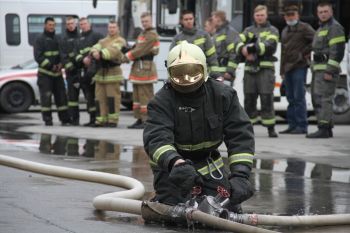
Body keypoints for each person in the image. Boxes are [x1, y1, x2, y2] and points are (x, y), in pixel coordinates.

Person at [143, 41, 255, 212]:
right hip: (173, 168)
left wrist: (241, 175)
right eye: (179, 73)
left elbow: (240, 136)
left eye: (192, 73)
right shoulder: (161, 101)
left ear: (203, 69)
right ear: (169, 73)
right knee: (175, 213)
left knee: (226, 209)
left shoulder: (223, 95)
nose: (186, 79)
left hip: (208, 163)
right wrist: (176, 162)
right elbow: (156, 138)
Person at [235, 5, 279, 137]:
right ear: (254, 16)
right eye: (257, 15)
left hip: (265, 70)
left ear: (266, 16)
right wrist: (242, 48)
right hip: (250, 70)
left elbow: (270, 46)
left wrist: (250, 48)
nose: (260, 18)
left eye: (262, 15)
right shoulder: (248, 30)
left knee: (267, 98)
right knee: (249, 99)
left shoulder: (273, 30)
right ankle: (249, 128)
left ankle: (270, 128)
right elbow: (237, 41)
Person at [307, 2, 345, 138]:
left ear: (331, 12)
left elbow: (338, 52)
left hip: (326, 72)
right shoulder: (321, 28)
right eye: (320, 12)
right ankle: (327, 128)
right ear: (317, 13)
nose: (323, 14)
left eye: (325, 11)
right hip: (318, 71)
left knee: (324, 99)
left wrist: (330, 70)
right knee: (317, 98)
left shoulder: (334, 27)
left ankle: (323, 128)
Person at [279, 5, 315, 134]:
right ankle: (292, 125)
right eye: (288, 15)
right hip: (288, 68)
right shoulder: (284, 31)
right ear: (285, 17)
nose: (290, 17)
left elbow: (315, 40)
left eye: (292, 15)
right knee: (290, 97)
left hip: (299, 66)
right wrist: (281, 70)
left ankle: (302, 126)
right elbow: (283, 52)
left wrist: (304, 53)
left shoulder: (304, 28)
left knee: (299, 97)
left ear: (297, 16)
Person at [124, 12, 160, 129]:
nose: (145, 24)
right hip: (138, 67)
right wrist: (128, 49)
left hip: (146, 68)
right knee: (137, 97)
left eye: (147, 21)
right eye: (143, 21)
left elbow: (140, 50)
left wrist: (125, 57)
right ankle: (139, 119)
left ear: (151, 21)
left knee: (145, 96)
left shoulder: (152, 35)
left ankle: (147, 120)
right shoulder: (142, 34)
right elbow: (136, 47)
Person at [33, 17, 70, 126]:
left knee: (62, 97)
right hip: (45, 74)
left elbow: (63, 53)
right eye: (50, 25)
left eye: (53, 25)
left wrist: (61, 64)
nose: (52, 27)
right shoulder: (39, 39)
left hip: (57, 74)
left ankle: (64, 119)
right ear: (45, 25)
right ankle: (48, 120)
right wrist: (50, 66)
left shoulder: (58, 38)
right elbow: (38, 57)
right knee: (46, 98)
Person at [89, 20, 126, 127]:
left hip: (113, 73)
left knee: (112, 98)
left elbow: (113, 51)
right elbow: (94, 47)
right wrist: (94, 52)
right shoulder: (103, 41)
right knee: (99, 98)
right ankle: (101, 120)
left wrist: (99, 53)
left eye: (114, 27)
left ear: (118, 28)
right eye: (110, 27)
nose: (112, 29)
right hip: (100, 74)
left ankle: (113, 120)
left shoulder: (120, 40)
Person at [170, 10, 220, 80]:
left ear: (194, 19)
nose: (189, 21)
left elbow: (212, 56)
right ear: (181, 21)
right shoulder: (177, 39)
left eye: (191, 19)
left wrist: (216, 75)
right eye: (186, 19)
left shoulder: (204, 35)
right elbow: (172, 59)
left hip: (202, 74)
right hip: (183, 77)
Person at [75, 17, 103, 126]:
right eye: (81, 24)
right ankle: (92, 119)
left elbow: (101, 51)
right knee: (89, 97)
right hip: (85, 72)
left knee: (97, 96)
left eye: (85, 23)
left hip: (97, 71)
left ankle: (98, 118)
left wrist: (91, 58)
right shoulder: (79, 39)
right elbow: (75, 55)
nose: (83, 26)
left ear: (89, 24)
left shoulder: (97, 36)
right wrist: (82, 59)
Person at [61, 16, 80, 125]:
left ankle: (93, 119)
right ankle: (74, 119)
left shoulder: (81, 36)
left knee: (89, 96)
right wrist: (69, 66)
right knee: (72, 98)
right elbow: (63, 55)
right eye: (68, 24)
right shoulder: (64, 39)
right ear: (66, 25)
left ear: (75, 24)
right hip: (71, 72)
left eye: (72, 23)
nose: (70, 25)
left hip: (82, 71)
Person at [211, 10, 240, 84]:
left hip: (225, 74)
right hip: (216, 73)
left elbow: (234, 53)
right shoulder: (217, 33)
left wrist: (229, 72)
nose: (212, 21)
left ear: (218, 19)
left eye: (213, 18)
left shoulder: (229, 32)